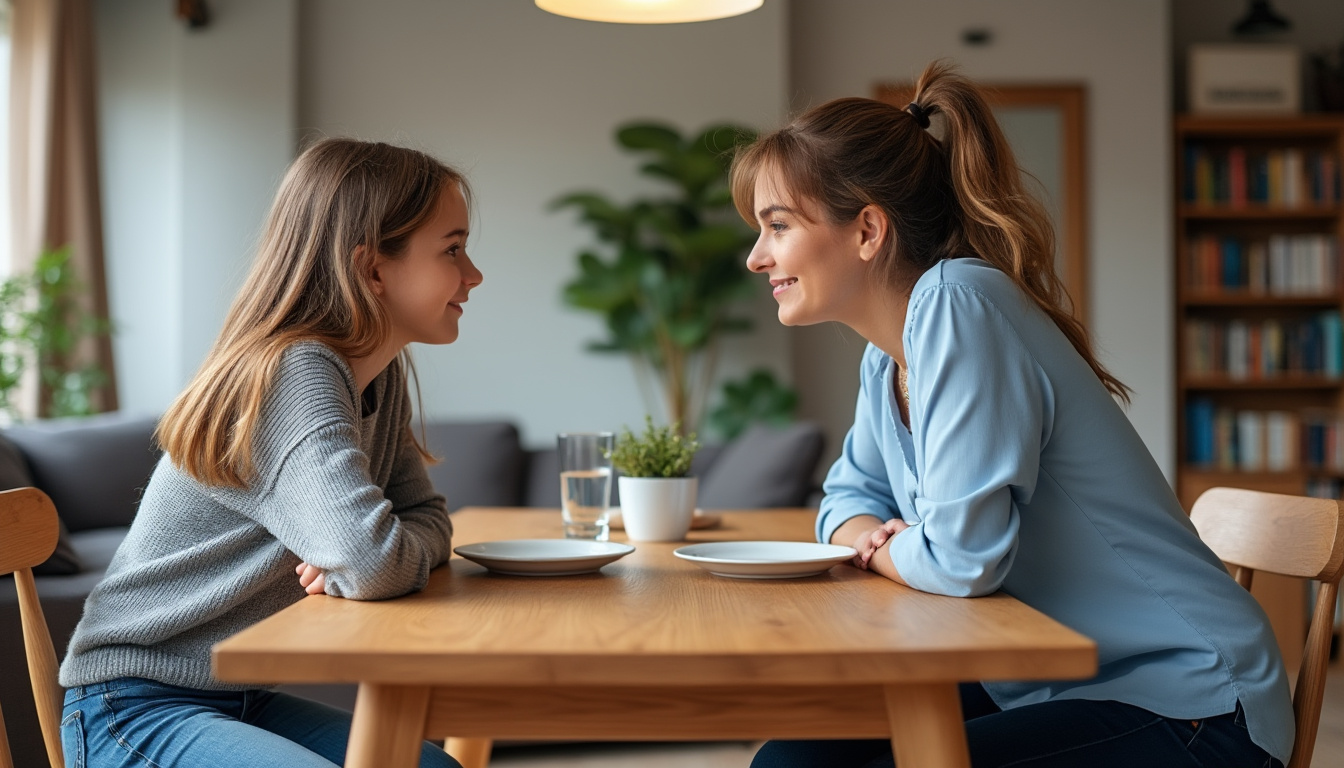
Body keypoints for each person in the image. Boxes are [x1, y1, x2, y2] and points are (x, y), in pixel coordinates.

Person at [734, 62, 1292, 768]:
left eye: (776, 226)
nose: (757, 258)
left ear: (868, 229)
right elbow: (844, 499)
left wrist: (886, 549)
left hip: (1191, 702)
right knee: (791, 761)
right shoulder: (887, 358)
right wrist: (898, 544)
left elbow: (965, 560)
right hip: (1053, 684)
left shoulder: (956, 303)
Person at [58, 138, 482, 768]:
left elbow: (425, 521)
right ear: (372, 269)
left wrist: (381, 551)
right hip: (133, 707)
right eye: (452, 249)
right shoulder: (296, 375)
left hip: (238, 697)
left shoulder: (377, 376)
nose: (473, 274)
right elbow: (371, 562)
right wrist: (368, 556)